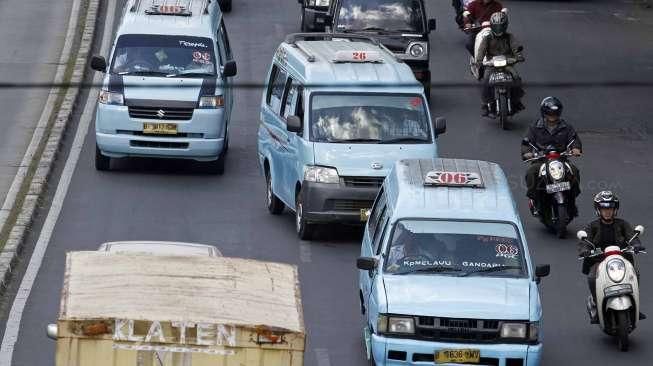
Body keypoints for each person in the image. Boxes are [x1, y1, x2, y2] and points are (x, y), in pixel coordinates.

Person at [577, 191, 646, 323]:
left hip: (622, 259)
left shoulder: (622, 224)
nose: (607, 211)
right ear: (598, 210)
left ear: (615, 209)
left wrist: (636, 245)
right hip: (599, 260)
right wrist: (585, 250)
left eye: (610, 208)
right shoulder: (592, 226)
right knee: (592, 277)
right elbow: (584, 241)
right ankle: (597, 304)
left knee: (635, 274)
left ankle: (635, 304)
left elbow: (632, 237)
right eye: (604, 208)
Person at [521, 96, 582, 215]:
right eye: (550, 114)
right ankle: (534, 200)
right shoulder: (535, 127)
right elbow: (526, 142)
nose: (552, 117)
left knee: (574, 171)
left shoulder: (567, 127)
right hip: (541, 159)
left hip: (561, 158)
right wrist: (527, 153)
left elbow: (574, 139)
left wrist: (576, 148)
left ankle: (572, 201)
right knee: (531, 173)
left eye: (555, 114)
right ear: (544, 113)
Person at [474, 11, 524, 116]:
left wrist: (518, 56)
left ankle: (517, 101)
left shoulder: (510, 37)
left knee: (516, 77)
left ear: (505, 26)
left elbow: (515, 47)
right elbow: (481, 50)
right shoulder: (487, 38)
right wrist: (479, 61)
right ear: (492, 26)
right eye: (496, 26)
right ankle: (485, 104)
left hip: (507, 63)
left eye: (501, 26)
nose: (498, 29)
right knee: (486, 80)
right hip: (492, 63)